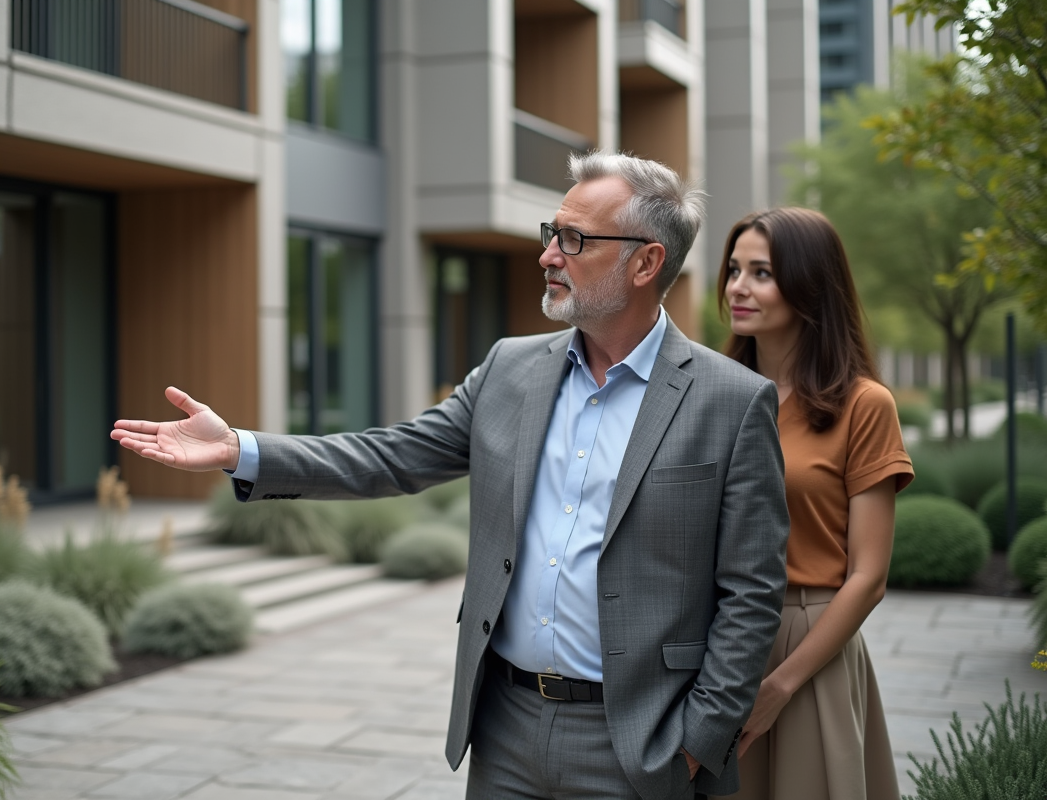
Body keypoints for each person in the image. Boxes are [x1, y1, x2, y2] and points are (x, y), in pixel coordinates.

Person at [111, 152, 790, 799]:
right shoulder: (509, 370)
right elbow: (390, 456)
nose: (550, 254)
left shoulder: (729, 401)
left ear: (647, 262)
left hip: (640, 741)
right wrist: (239, 448)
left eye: (576, 240)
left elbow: (752, 590)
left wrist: (698, 739)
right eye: (551, 233)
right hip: (505, 728)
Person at [713, 207, 913, 800]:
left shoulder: (864, 405)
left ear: (810, 287)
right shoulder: (711, 393)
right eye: (732, 269)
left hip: (811, 645)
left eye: (761, 273)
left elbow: (868, 577)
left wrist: (779, 687)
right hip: (720, 643)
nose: (737, 288)